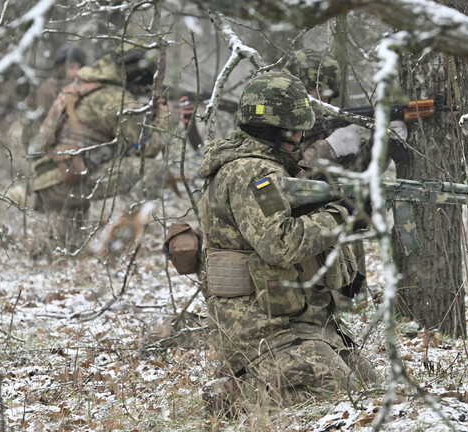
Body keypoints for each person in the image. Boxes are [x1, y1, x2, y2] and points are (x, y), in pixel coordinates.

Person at [197, 71, 379, 414]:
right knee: (341, 397)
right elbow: (280, 243)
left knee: (372, 390)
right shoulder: (252, 174)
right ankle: (235, 393)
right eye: (293, 129)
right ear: (270, 130)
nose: (300, 136)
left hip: (301, 319)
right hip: (261, 328)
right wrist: (342, 216)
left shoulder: (276, 170)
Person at [29, 47, 170, 253]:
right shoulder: (113, 97)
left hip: (52, 181)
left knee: (66, 254)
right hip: (68, 180)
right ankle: (114, 249)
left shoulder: (88, 87)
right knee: (154, 170)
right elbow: (147, 148)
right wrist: (164, 118)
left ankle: (45, 251)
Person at [282, 48, 408, 176]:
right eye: (308, 90)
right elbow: (284, 179)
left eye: (324, 93)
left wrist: (380, 141)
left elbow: (355, 171)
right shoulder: (273, 123)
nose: (317, 98)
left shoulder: (321, 128)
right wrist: (328, 148)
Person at [22, 45, 88, 148]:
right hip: (47, 147)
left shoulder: (81, 89)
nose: (77, 72)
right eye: (72, 67)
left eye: (79, 68)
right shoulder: (47, 90)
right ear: (60, 68)